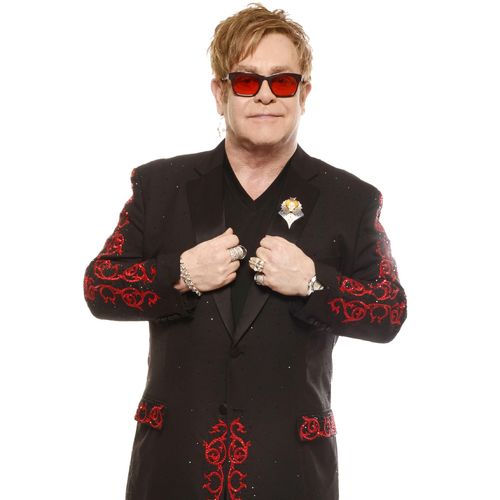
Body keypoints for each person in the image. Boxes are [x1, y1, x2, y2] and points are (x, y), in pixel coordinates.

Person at [83, 4, 407, 499]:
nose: (264, 95)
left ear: (303, 94)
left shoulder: (351, 199)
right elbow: (99, 288)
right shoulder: (161, 185)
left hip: (292, 473)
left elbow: (388, 312)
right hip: (172, 469)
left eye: (282, 81)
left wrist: (314, 283)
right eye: (246, 80)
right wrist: (179, 274)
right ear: (220, 93)